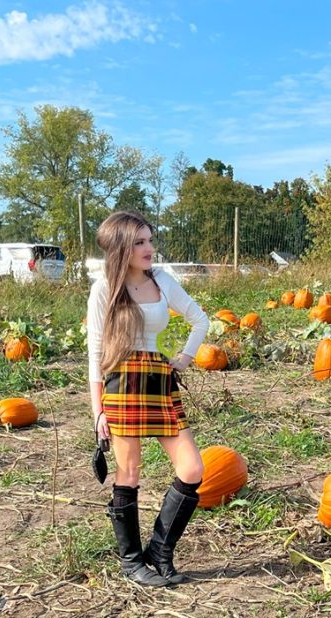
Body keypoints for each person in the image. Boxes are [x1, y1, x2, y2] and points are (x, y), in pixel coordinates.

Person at [87, 211, 210, 587]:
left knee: (192, 469)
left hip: (158, 380)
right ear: (121, 246)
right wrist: (98, 412)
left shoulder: (162, 280)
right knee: (130, 473)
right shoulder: (104, 289)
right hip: (122, 383)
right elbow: (94, 353)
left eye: (150, 240)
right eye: (139, 242)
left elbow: (200, 319)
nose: (149, 248)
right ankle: (131, 562)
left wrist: (186, 357)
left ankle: (160, 550)